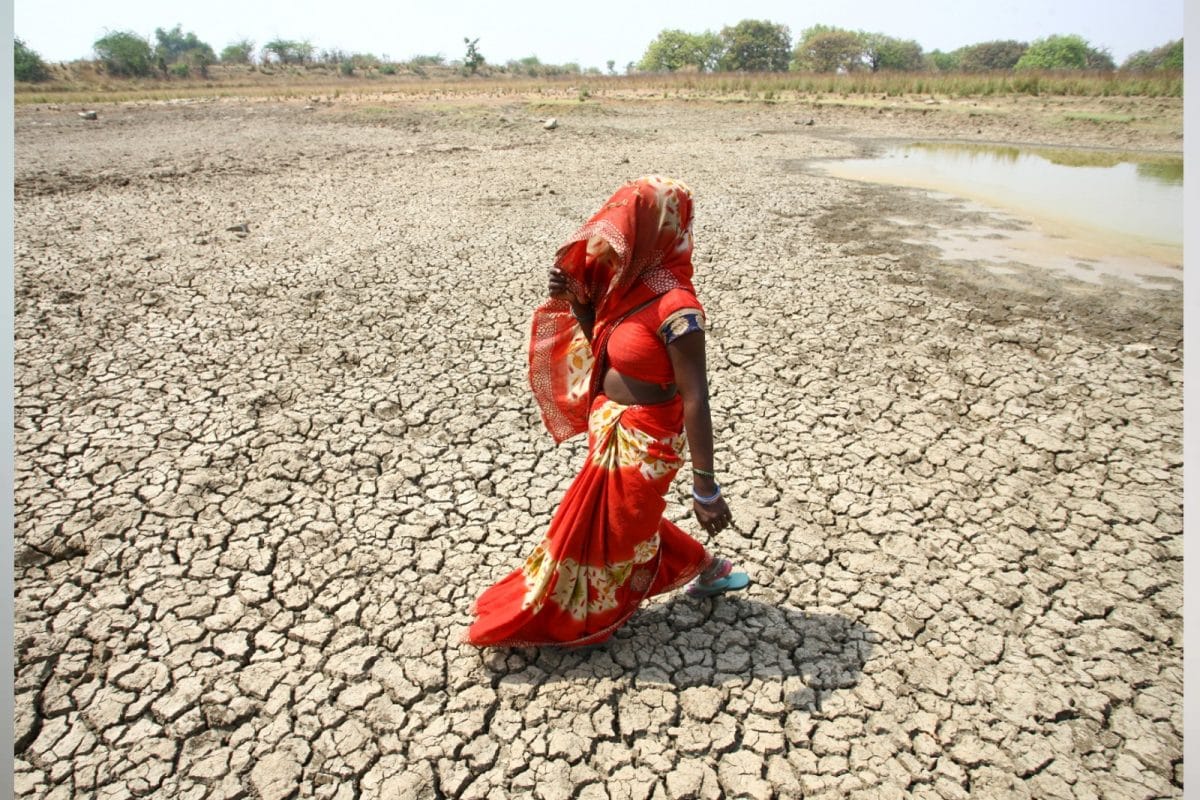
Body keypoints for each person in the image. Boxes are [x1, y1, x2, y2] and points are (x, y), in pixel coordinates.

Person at [466, 175, 748, 649]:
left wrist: (705, 486)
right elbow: (600, 342)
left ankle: (575, 616)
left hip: (647, 438)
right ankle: (709, 568)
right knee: (618, 518)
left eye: (630, 226)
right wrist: (578, 301)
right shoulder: (627, 286)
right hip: (610, 426)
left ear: (656, 231)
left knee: (616, 527)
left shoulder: (678, 306)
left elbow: (696, 397)